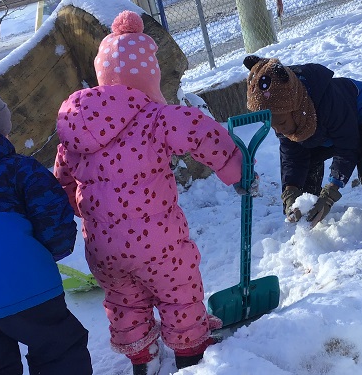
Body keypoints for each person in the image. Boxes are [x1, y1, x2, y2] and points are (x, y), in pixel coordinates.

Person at [53, 11, 246, 375]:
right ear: (148, 76)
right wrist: (234, 169)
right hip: (158, 244)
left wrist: (82, 208)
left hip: (103, 248)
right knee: (179, 293)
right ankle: (191, 357)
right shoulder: (155, 116)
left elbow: (61, 179)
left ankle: (143, 360)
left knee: (125, 303)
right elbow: (200, 131)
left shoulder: (76, 125)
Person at [0, 75, 92, 375]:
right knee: (58, 349)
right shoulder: (17, 169)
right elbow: (53, 215)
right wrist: (48, 252)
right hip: (27, 282)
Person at [243, 55, 362, 233]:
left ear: (294, 108)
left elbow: (347, 147)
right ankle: (309, 210)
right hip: (325, 130)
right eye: (272, 126)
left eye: (282, 124)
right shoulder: (283, 115)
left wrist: (330, 194)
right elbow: (292, 158)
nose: (278, 131)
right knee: (303, 156)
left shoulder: (329, 101)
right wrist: (291, 191)